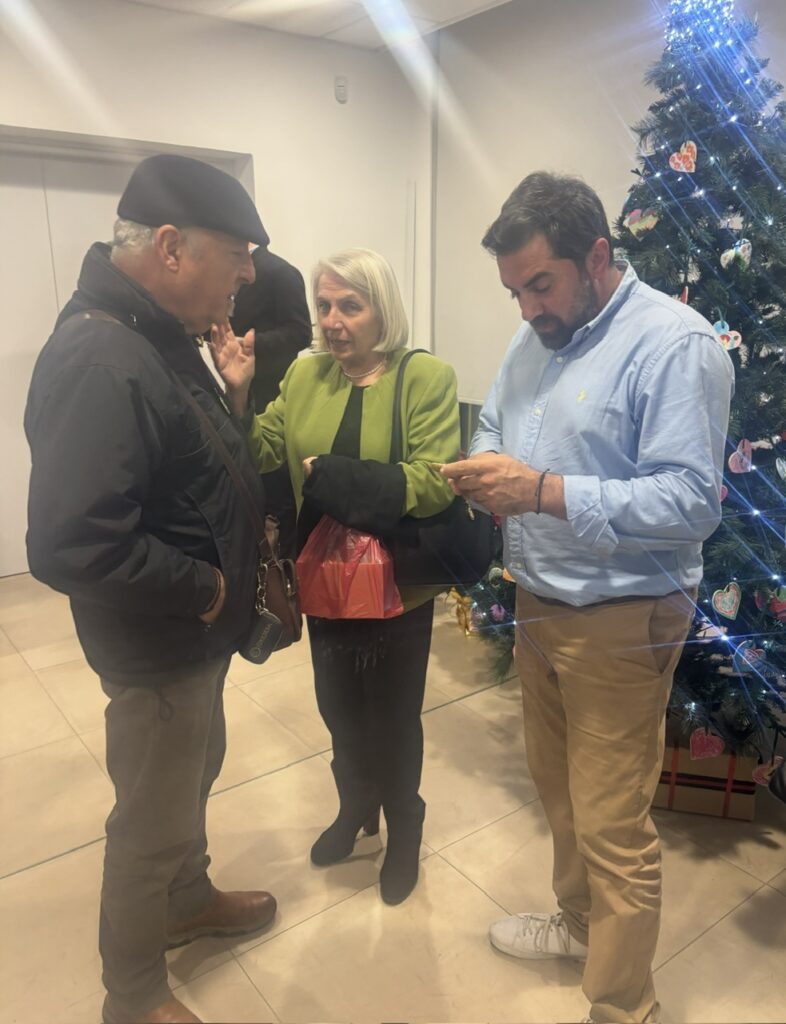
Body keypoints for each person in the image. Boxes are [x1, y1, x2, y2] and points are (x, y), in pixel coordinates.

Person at [441, 172, 734, 1024]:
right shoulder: (534, 335)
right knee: (559, 792)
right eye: (514, 291)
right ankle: (577, 927)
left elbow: (693, 504)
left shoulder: (674, 345)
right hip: (540, 601)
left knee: (612, 823)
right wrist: (485, 467)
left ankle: (623, 1006)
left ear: (597, 256)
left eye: (541, 284)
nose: (527, 308)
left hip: (623, 615)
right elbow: (494, 423)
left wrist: (540, 492)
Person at [24, 154, 279, 1024]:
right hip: (160, 637)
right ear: (171, 247)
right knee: (150, 820)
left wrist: (236, 402)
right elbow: (73, 543)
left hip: (192, 633)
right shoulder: (101, 355)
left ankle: (186, 901)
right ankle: (132, 995)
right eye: (237, 254)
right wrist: (205, 588)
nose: (249, 275)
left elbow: (187, 466)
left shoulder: (156, 334)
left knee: (193, 777)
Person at [213, 248, 460, 905]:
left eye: (350, 305)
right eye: (323, 306)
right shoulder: (305, 375)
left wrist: (332, 477)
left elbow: (434, 483)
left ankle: (404, 824)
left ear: (383, 309)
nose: (331, 321)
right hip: (323, 579)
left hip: (398, 585)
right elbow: (263, 450)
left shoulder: (424, 377)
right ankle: (356, 808)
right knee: (339, 708)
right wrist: (239, 394)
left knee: (394, 716)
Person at [230, 244, 312, 558]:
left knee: (278, 499)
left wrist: (247, 345)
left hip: (272, 393)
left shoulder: (281, 273)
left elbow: (300, 333)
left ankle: (283, 570)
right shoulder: (224, 274)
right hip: (237, 394)